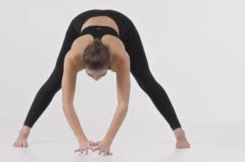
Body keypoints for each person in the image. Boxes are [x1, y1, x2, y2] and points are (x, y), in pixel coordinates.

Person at [13, 9, 190, 154]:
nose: (96, 80)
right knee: (54, 81)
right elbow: (67, 104)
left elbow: (123, 104)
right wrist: (81, 139)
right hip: (81, 23)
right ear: (82, 64)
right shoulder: (73, 57)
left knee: (146, 80)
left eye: (102, 75)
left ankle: (179, 132)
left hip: (122, 25)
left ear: (110, 65)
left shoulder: (121, 57)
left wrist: (108, 141)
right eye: (90, 75)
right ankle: (24, 131)